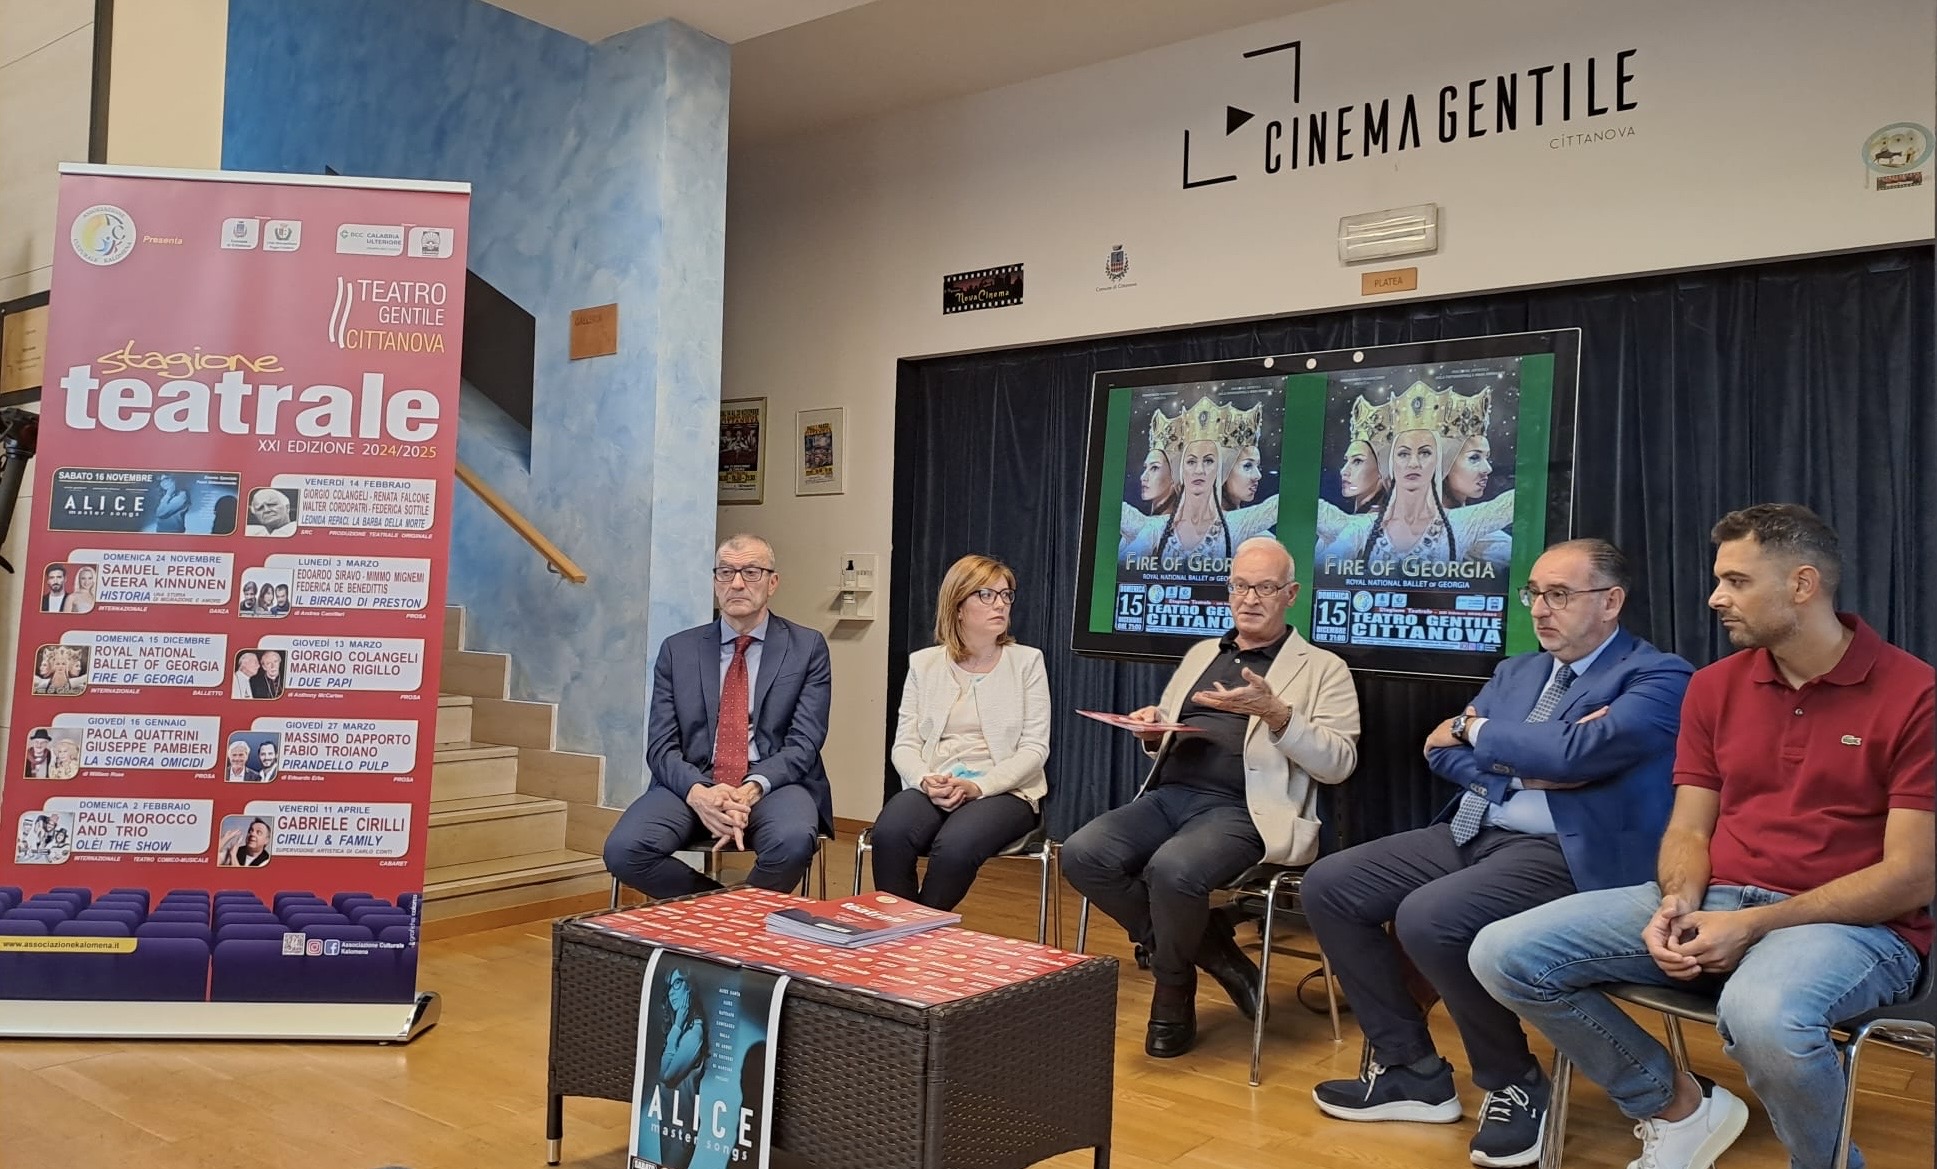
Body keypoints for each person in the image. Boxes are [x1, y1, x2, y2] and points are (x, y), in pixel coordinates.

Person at [1472, 504, 1934, 1169]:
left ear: (1802, 585)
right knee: (1502, 952)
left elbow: (1911, 877)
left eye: (1736, 581)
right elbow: (1689, 825)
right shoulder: (1714, 686)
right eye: (1718, 579)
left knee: (1761, 1017)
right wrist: (1677, 901)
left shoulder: (1915, 694)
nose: (1715, 597)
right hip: (1718, 899)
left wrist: (1753, 924)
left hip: (1854, 927)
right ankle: (1676, 1106)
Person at [1301, 539, 1693, 1167]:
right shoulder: (1517, 672)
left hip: (1565, 852)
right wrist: (1520, 770)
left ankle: (1514, 1082)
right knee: (1330, 884)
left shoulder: (1657, 677)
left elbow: (1574, 756)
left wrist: (1478, 730)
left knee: (1429, 917)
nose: (1539, 609)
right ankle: (1410, 1071)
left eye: (1559, 594)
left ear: (1611, 601)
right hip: (1475, 828)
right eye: (1534, 593)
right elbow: (1439, 751)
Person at [1061, 537, 1361, 1057]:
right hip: (1168, 797)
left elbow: (1339, 762)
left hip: (1244, 810)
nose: (1249, 599)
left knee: (1172, 870)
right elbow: (1169, 723)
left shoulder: (1322, 668)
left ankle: (1172, 990)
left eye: (1264, 588)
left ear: (1290, 594)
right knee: (1083, 854)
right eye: (1240, 586)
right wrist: (1152, 727)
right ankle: (1215, 950)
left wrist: (1276, 714)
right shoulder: (1204, 653)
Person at [605, 535, 832, 898]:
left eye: (751, 572)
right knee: (625, 850)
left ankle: (730, 919)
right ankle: (723, 910)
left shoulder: (806, 647)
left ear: (773, 582)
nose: (737, 583)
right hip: (692, 782)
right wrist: (700, 793)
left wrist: (749, 789)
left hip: (776, 783)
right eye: (726, 572)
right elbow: (661, 747)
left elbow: (804, 743)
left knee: (792, 841)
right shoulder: (678, 650)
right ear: (715, 582)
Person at [875, 554, 1048, 910]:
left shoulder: (1027, 662)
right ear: (957, 607)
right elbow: (905, 744)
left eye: (1006, 595)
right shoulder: (924, 663)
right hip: (935, 783)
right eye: (986, 595)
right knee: (890, 834)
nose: (1000, 604)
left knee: (955, 846)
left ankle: (918, 932)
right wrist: (925, 780)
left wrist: (979, 787)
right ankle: (902, 933)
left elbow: (1034, 749)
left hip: (1004, 791)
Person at [1317, 385, 1514, 570]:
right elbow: (1322, 570)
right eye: (1403, 454)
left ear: (1438, 462)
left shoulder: (1460, 525)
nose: (1413, 463)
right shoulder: (1361, 529)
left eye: (1425, 453)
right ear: (1391, 463)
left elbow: (1508, 505)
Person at [1120, 399, 1277, 569]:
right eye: (1191, 462)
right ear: (1181, 470)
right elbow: (1121, 567)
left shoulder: (1237, 525)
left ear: (1219, 469)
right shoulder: (1156, 529)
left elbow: (1273, 508)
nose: (1199, 470)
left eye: (1208, 461)